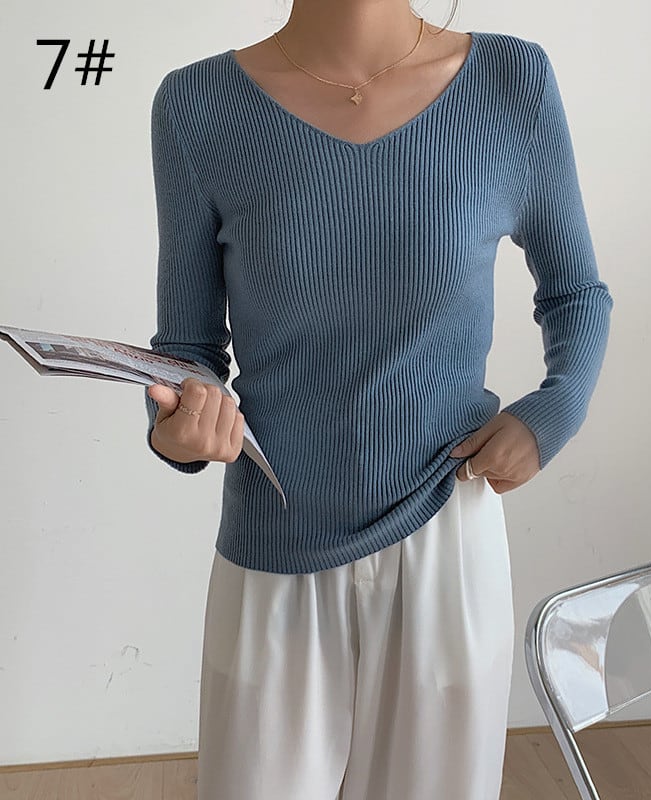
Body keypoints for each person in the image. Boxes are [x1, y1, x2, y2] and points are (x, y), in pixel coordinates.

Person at [144, 0, 613, 796]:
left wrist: (553, 411)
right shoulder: (196, 105)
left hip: (447, 533)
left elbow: (576, 294)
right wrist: (175, 428)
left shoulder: (512, 82)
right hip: (275, 540)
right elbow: (185, 348)